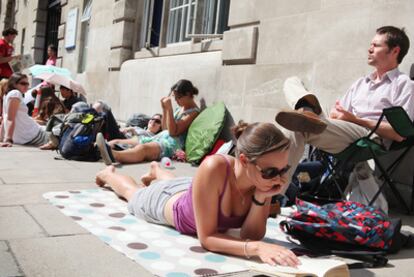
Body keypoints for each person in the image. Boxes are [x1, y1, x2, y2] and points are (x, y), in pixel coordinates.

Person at [95, 121, 300, 267]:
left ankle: (156, 170)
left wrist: (262, 197)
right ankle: (109, 174)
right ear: (245, 160)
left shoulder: (259, 182)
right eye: (271, 171)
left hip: (194, 190)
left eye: (283, 170)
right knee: (133, 193)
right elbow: (208, 238)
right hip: (168, 202)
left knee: (177, 184)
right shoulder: (214, 167)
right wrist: (257, 249)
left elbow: (250, 235)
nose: (278, 178)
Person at [274, 26, 414, 185]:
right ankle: (307, 110)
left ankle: (274, 193)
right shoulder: (361, 83)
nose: (369, 49)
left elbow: (399, 133)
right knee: (292, 82)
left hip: (369, 137)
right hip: (343, 128)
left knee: (298, 127)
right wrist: (338, 115)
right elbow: (338, 111)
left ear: (395, 51)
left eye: (376, 45)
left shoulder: (403, 85)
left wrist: (355, 119)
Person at [96, 79, 200, 165]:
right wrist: (164, 109)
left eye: (179, 98)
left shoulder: (193, 112)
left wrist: (169, 109)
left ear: (188, 94)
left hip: (171, 145)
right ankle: (96, 150)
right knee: (117, 142)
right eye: (175, 98)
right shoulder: (180, 108)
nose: (176, 101)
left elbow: (173, 132)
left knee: (143, 149)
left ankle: (113, 155)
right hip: (162, 136)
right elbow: (165, 128)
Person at [0, 73, 55, 147]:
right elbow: (10, 119)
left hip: (29, 134)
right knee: (61, 135)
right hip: (32, 135)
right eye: (23, 83)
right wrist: (7, 139)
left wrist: (2, 137)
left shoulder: (6, 95)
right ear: (14, 84)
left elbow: (5, 118)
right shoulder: (15, 93)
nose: (26, 86)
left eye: (27, 84)